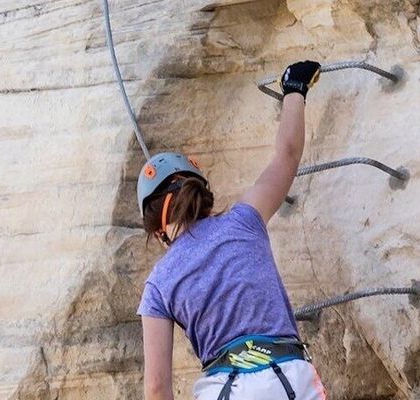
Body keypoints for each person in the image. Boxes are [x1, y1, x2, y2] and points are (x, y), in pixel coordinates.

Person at [136, 61, 326, 400]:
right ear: (203, 198)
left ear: (157, 231)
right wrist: (295, 89)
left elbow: (156, 387)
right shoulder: (244, 219)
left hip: (227, 388)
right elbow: (287, 156)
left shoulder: (158, 284)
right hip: (292, 378)